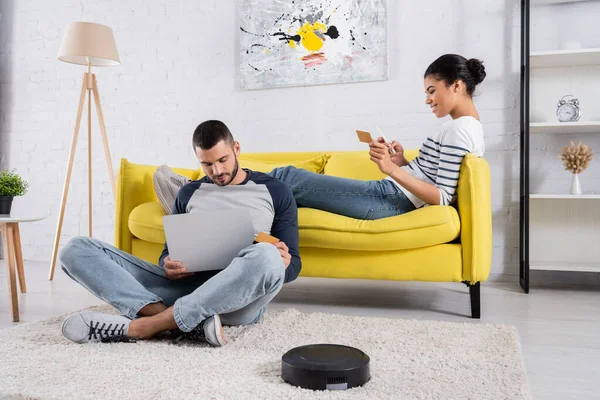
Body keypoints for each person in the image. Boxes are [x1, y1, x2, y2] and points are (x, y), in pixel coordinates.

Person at [154, 54, 486, 221]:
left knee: (285, 178)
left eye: (432, 91)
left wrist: (392, 170)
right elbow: (429, 177)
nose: (428, 99)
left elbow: (442, 198)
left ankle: (196, 193)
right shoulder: (460, 126)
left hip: (392, 199)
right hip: (392, 193)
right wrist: (401, 160)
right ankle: (201, 201)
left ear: (456, 85)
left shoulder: (460, 129)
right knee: (278, 190)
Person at [59, 120, 301, 346]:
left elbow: (294, 266)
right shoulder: (188, 193)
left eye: (223, 160)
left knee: (266, 256)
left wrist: (282, 262)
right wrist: (168, 264)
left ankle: (146, 326)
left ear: (236, 148)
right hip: (188, 288)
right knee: (76, 249)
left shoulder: (275, 191)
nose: (216, 170)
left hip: (239, 299)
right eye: (207, 164)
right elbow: (167, 253)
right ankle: (183, 321)